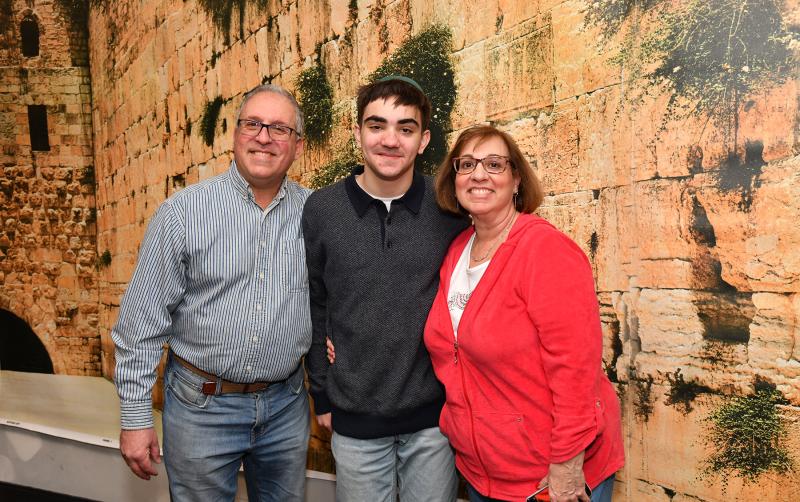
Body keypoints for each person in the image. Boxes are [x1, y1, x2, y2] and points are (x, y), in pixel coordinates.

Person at [112, 84, 312, 502]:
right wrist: (135, 417)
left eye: (279, 129)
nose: (264, 137)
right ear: (235, 134)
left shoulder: (316, 216)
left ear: (297, 146)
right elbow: (140, 326)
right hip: (201, 408)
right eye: (253, 124)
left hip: (287, 407)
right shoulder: (182, 214)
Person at [423, 125, 625, 502]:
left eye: (494, 164)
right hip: (484, 471)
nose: (479, 175)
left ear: (516, 179)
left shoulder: (545, 249)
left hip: (548, 477)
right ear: (454, 179)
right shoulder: (458, 250)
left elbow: (575, 368)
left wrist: (567, 464)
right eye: (466, 165)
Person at [302, 76, 467, 501]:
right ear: (357, 132)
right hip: (354, 418)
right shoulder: (321, 209)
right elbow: (316, 302)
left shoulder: (448, 206)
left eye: (405, 128)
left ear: (423, 140)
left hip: (434, 422)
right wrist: (322, 392)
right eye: (377, 125)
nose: (390, 140)